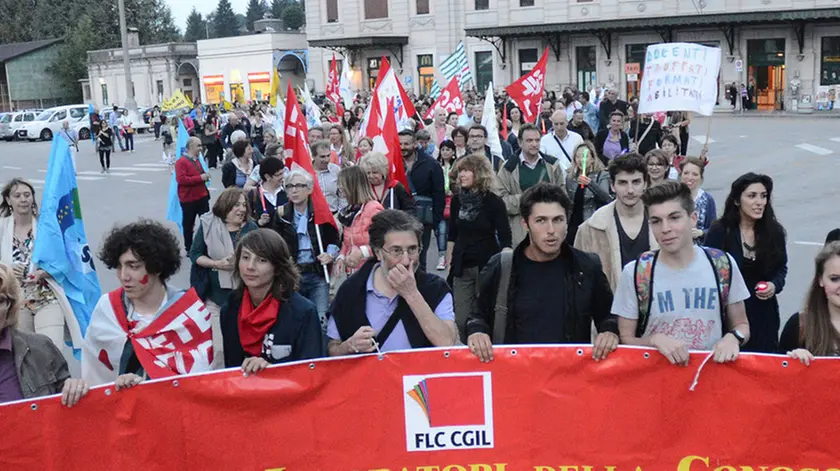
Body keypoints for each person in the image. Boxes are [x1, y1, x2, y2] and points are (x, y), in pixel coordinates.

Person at [466, 183, 619, 362]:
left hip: (568, 375)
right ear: (525, 223)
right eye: (541, 220)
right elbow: (477, 315)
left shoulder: (586, 267)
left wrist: (609, 332)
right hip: (515, 374)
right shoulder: (502, 266)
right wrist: (477, 332)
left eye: (558, 220)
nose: (551, 230)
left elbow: (608, 315)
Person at [613, 181, 751, 366]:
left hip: (708, 378)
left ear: (693, 218)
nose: (665, 229)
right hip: (655, 382)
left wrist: (733, 338)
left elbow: (742, 325)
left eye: (674, 218)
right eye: (656, 221)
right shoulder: (637, 272)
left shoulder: (722, 264)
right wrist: (654, 340)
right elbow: (626, 339)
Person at [83, 220, 216, 387]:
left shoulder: (191, 313)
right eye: (119, 266)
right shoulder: (107, 309)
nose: (124, 276)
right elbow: (94, 374)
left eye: (133, 266)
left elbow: (200, 382)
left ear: (157, 267)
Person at [326, 210, 458, 355]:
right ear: (378, 253)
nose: (406, 260)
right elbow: (332, 349)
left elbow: (446, 343)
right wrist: (349, 346)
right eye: (396, 251)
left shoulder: (436, 289)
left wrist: (412, 294)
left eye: (412, 249)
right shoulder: (351, 290)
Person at [705, 173, 788, 353]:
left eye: (763, 196)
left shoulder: (774, 232)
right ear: (737, 201)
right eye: (752, 196)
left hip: (764, 314)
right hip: (729, 316)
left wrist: (773, 286)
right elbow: (707, 271)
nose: (759, 202)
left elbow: (781, 269)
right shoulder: (721, 231)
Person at [221, 229, 324, 372]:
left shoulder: (303, 312)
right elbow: (231, 369)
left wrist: (272, 372)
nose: (250, 267)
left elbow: (312, 373)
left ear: (277, 267)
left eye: (261, 260)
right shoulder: (230, 308)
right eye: (245, 257)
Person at [0, 179, 83, 354]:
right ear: (9, 200)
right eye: (17, 196)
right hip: (16, 302)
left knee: (51, 353)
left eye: (27, 195)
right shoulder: (2, 227)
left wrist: (42, 273)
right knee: (23, 356)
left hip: (47, 298)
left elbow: (66, 259)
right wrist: (7, 272)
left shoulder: (47, 226)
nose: (23, 199)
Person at [0, 264, 88, 406]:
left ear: (10, 305)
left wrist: (75, 389)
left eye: (0, 301)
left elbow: (68, 407)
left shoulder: (41, 348)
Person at [190, 187, 258, 366]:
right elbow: (195, 255)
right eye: (236, 205)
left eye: (244, 205)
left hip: (245, 298)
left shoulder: (251, 228)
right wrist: (217, 264)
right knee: (218, 349)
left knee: (243, 346)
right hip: (215, 298)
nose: (241, 209)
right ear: (225, 206)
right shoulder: (208, 224)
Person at [446, 155, 512, 337]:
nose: (462, 175)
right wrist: (449, 259)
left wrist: (504, 264)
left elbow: (505, 237)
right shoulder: (457, 201)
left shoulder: (494, 202)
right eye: (460, 171)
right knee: (461, 319)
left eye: (466, 170)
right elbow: (452, 233)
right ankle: (469, 351)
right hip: (461, 265)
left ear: (479, 174)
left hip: (486, 264)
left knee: (484, 314)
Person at [574, 154, 657, 291]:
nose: (630, 190)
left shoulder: (663, 223)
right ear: (612, 186)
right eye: (623, 182)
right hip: (609, 308)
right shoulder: (590, 229)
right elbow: (579, 279)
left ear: (645, 184)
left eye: (636, 182)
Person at [271, 170, 340, 332]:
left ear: (309, 189)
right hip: (293, 274)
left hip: (316, 273)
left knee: (321, 319)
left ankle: (321, 353)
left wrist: (329, 254)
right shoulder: (282, 214)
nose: (294, 190)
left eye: (299, 186)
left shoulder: (320, 212)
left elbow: (334, 238)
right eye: (289, 186)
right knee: (294, 321)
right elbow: (274, 241)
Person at [497, 124, 565, 246]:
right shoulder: (508, 168)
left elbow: (563, 196)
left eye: (537, 140)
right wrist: (528, 198)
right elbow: (501, 201)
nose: (534, 144)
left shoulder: (553, 165)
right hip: (521, 231)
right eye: (529, 140)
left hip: (549, 230)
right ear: (519, 142)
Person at [779, 241, 840, 363]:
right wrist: (793, 361)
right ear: (820, 280)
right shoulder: (799, 326)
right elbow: (775, 376)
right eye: (834, 279)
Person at [400, 130, 445, 272]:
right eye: (400, 143)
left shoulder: (431, 164)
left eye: (406, 143)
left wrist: (435, 221)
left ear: (415, 144)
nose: (402, 147)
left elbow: (439, 193)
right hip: (398, 218)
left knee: (419, 258)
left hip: (422, 220)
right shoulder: (393, 163)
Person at [334, 166, 385, 276]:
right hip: (353, 272)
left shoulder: (373, 209)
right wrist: (341, 256)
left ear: (352, 187)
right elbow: (348, 241)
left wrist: (362, 252)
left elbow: (383, 242)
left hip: (371, 272)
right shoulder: (349, 211)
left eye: (343, 188)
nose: (341, 192)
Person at [565, 142, 613, 243]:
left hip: (590, 223)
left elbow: (607, 199)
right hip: (572, 225)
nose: (581, 160)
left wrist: (590, 184)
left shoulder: (602, 175)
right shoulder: (570, 177)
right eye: (578, 156)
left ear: (592, 159)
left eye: (585, 156)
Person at [175, 136, 212, 252]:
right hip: (188, 199)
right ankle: (189, 247)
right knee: (189, 224)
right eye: (198, 146)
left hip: (202, 196)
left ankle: (206, 245)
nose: (201, 148)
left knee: (206, 223)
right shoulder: (181, 162)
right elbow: (181, 180)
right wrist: (200, 178)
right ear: (190, 147)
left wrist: (204, 177)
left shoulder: (198, 159)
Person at [679, 158, 716, 241]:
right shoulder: (673, 197)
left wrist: (701, 232)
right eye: (686, 173)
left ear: (701, 178)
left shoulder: (707, 199)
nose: (689, 177)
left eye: (695, 174)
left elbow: (714, 229)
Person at [540, 111, 584, 175]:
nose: (559, 127)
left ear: (567, 122)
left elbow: (584, 158)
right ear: (552, 124)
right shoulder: (544, 140)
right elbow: (541, 160)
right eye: (556, 124)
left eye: (561, 124)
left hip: (574, 179)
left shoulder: (577, 138)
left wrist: (575, 168)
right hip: (554, 180)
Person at [247, 157, 287, 226]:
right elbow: (247, 220)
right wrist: (259, 222)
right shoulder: (254, 195)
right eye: (278, 175)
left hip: (287, 235)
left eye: (282, 173)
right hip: (264, 235)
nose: (282, 177)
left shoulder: (287, 191)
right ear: (267, 177)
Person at [312, 139, 346, 214]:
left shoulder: (336, 170)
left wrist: (339, 215)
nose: (326, 160)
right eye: (322, 157)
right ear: (314, 156)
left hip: (333, 215)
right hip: (313, 217)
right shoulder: (307, 172)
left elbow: (342, 195)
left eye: (328, 155)